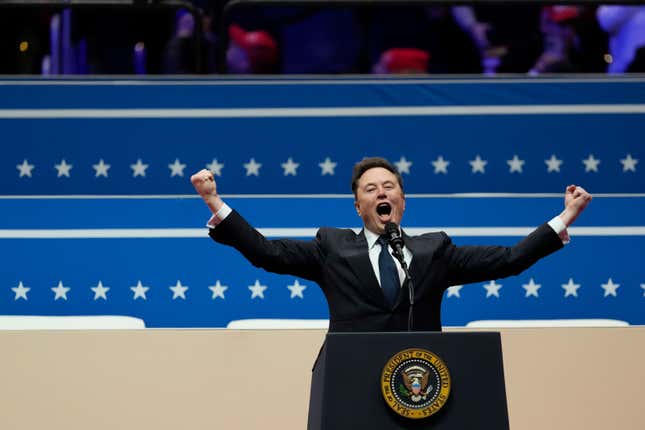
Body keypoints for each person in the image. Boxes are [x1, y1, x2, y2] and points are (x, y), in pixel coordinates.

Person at [191, 157, 591, 332]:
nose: (381, 192)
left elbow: (509, 260)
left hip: (422, 380)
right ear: (359, 205)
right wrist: (214, 201)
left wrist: (564, 218)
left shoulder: (435, 251)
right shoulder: (331, 247)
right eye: (371, 188)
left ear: (401, 200)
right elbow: (266, 252)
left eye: (389, 186)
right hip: (351, 377)